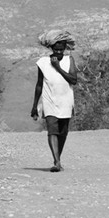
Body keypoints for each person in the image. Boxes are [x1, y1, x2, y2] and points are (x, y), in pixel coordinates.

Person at [30, 29, 78, 172]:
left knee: (63, 132)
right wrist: (34, 106)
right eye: (56, 47)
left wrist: (58, 68)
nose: (58, 50)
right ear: (51, 47)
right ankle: (56, 162)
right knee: (52, 130)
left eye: (61, 47)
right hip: (49, 100)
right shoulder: (43, 62)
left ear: (65, 47)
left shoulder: (69, 60)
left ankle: (58, 158)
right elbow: (39, 85)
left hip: (66, 101)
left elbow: (73, 80)